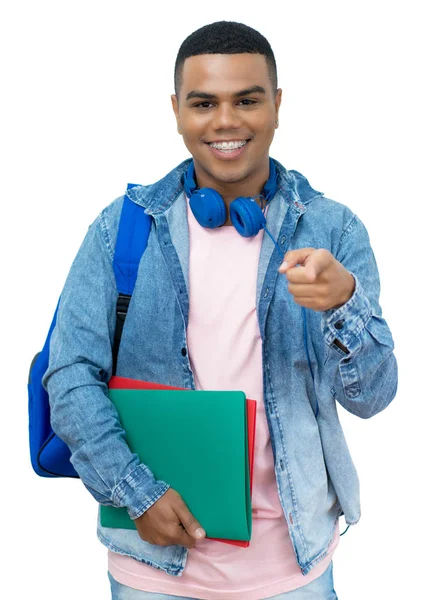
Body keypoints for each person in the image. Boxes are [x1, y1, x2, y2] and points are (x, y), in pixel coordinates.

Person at [43, 20, 398, 600]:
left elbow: (375, 397)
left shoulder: (334, 230)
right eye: (204, 102)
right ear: (177, 110)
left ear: (277, 106)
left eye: (247, 100)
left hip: (295, 570)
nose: (226, 121)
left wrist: (344, 306)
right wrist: (138, 493)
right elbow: (70, 377)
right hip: (154, 570)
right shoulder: (121, 229)